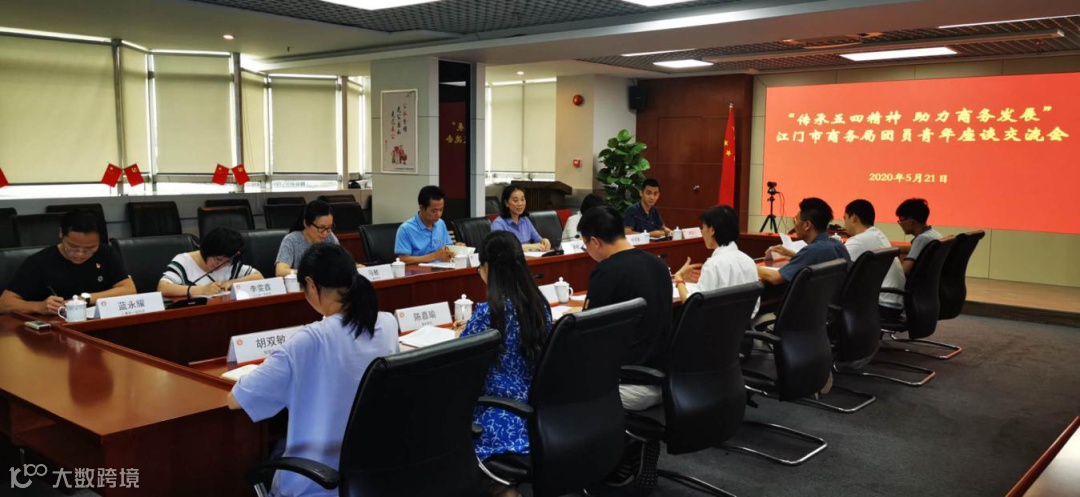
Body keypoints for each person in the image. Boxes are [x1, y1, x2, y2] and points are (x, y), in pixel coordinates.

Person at [228, 243, 399, 497]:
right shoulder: (387, 323)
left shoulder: (310, 340)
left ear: (310, 284)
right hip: (372, 476)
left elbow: (236, 400)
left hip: (315, 483)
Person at [454, 231, 552, 495]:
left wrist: (465, 330)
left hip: (499, 415)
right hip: (541, 409)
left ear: (489, 268)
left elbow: (461, 357)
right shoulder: (539, 305)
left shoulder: (490, 312)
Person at [578, 206, 673, 411]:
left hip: (626, 384)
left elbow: (587, 333)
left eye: (585, 244)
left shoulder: (606, 271)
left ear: (595, 241)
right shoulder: (658, 265)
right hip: (667, 380)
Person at [0, 209, 135, 315]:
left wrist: (85, 299)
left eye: (90, 249)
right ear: (61, 233)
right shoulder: (40, 261)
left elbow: (129, 290)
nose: (80, 254)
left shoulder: (106, 253)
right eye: (73, 247)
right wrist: (39, 307)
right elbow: (4, 303)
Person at [673, 205, 760, 317]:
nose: (702, 232)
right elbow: (754, 306)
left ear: (712, 230)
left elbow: (691, 304)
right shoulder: (749, 261)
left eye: (703, 227)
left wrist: (679, 279)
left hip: (714, 327)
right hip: (743, 325)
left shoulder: (713, 265)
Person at [758, 197, 851, 286]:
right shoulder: (838, 245)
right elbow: (815, 259)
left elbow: (775, 278)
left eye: (795, 219)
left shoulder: (812, 250)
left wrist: (751, 265)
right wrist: (790, 254)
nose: (794, 224)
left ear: (807, 225)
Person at [157, 227, 263, 299]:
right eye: (218, 259)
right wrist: (202, 290)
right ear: (208, 251)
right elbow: (163, 288)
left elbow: (259, 277)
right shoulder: (184, 261)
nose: (221, 265)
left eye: (227, 261)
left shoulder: (230, 262)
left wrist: (232, 282)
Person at [843, 199, 905, 319]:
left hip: (882, 304)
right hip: (893, 301)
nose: (844, 223)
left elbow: (834, 268)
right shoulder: (877, 235)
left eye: (845, 218)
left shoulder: (858, 241)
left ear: (854, 218)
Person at [274, 200, 340, 277]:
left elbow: (341, 264)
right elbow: (280, 271)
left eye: (329, 227)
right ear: (306, 223)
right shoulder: (292, 240)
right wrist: (311, 273)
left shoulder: (330, 238)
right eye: (321, 228)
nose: (325, 233)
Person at [394, 185, 457, 264]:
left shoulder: (441, 223)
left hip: (443, 268)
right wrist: (434, 256)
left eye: (441, 210)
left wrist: (457, 248)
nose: (438, 214)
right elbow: (403, 259)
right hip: (419, 271)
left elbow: (448, 248)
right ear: (422, 208)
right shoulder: (405, 229)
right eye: (434, 211)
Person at [491, 185, 551, 252]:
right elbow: (501, 248)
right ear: (506, 203)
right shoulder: (498, 224)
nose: (520, 204)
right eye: (515, 200)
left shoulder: (525, 220)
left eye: (522, 200)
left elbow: (537, 239)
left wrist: (544, 241)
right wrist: (529, 246)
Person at [896, 198, 941, 275]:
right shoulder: (934, 234)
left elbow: (904, 271)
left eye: (901, 220)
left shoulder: (921, 239)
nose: (900, 224)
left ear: (911, 221)